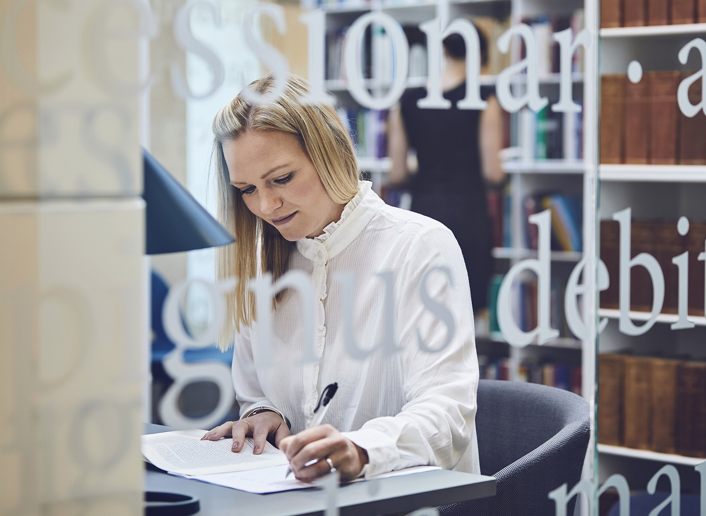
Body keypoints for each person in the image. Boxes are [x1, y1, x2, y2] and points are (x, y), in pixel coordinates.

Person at [201, 73, 480, 483]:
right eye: (245, 188)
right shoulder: (260, 263)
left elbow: (448, 411)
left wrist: (363, 450)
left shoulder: (419, 246)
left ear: (330, 153)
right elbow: (255, 392)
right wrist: (262, 414)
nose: (266, 204)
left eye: (281, 178)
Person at [387, 28, 506, 325]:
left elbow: (397, 172)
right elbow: (493, 172)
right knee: (465, 315)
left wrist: (428, 167)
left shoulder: (407, 100)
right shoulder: (483, 99)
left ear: (444, 52)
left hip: (423, 214)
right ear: (481, 56)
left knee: (424, 312)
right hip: (469, 216)